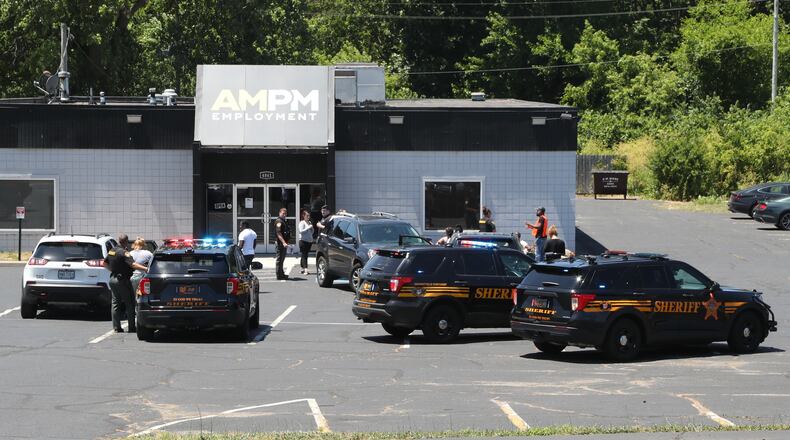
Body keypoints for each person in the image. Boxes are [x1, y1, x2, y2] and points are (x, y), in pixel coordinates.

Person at [104, 234, 148, 333]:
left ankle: (116, 327)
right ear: (126, 241)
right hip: (122, 281)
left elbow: (104, 263)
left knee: (115, 303)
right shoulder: (124, 253)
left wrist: (113, 270)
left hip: (113, 279)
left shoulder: (112, 251)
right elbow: (133, 264)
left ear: (119, 241)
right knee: (130, 303)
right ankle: (132, 327)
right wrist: (146, 268)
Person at [274, 207, 291, 280]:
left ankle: (282, 274)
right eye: (283, 213)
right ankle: (279, 275)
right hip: (280, 243)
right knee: (279, 260)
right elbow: (278, 233)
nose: (284, 215)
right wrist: (283, 242)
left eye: (285, 213)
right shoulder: (279, 221)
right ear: (279, 213)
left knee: (282, 260)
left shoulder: (283, 221)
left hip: (284, 243)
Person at [298, 209, 313, 275]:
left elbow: (312, 232)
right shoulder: (302, 223)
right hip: (303, 241)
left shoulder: (309, 222)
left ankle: (302, 268)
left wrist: (312, 229)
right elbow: (301, 231)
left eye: (309, 216)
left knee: (304, 255)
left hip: (309, 241)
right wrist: (308, 227)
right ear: (303, 216)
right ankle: (306, 269)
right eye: (307, 215)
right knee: (304, 255)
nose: (308, 217)